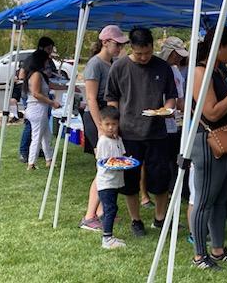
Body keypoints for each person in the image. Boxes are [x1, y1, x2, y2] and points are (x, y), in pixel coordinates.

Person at [105, 27, 177, 237]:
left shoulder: (163, 67)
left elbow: (171, 95)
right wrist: (114, 126)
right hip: (129, 133)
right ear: (131, 48)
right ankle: (136, 220)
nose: (144, 57)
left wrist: (168, 109)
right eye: (139, 54)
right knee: (129, 182)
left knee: (161, 178)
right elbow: (111, 99)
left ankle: (160, 218)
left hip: (158, 133)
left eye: (148, 52)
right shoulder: (119, 67)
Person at [190, 26, 227, 270]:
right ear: (218, 46)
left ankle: (218, 249)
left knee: (221, 199)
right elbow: (211, 112)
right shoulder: (201, 72)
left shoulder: (220, 70)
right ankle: (200, 255)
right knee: (204, 200)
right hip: (209, 142)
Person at [79, 25, 128, 231]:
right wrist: (101, 127)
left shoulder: (112, 63)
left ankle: (101, 213)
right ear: (105, 42)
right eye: (117, 44)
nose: (119, 48)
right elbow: (91, 98)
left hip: (107, 120)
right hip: (96, 119)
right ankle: (89, 216)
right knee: (102, 169)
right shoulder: (94, 64)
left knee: (106, 166)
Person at [19, 37, 58, 163]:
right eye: (48, 49)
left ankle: (48, 158)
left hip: (39, 103)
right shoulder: (33, 64)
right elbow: (35, 92)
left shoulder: (40, 70)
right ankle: (27, 156)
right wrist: (51, 102)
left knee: (44, 132)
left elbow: (48, 82)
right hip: (35, 104)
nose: (50, 52)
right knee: (34, 130)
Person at [157, 36, 188, 189]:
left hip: (173, 122)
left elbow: (180, 99)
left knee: (172, 157)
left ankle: (173, 187)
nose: (178, 57)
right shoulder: (156, 68)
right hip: (157, 122)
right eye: (176, 54)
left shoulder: (176, 72)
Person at [95, 106, 127, 249]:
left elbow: (122, 157)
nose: (110, 128)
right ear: (101, 125)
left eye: (113, 124)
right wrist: (118, 164)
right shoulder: (103, 142)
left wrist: (125, 161)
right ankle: (107, 238)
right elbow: (104, 162)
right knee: (110, 209)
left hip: (115, 181)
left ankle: (107, 229)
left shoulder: (118, 139)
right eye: (107, 124)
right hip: (106, 182)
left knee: (112, 207)